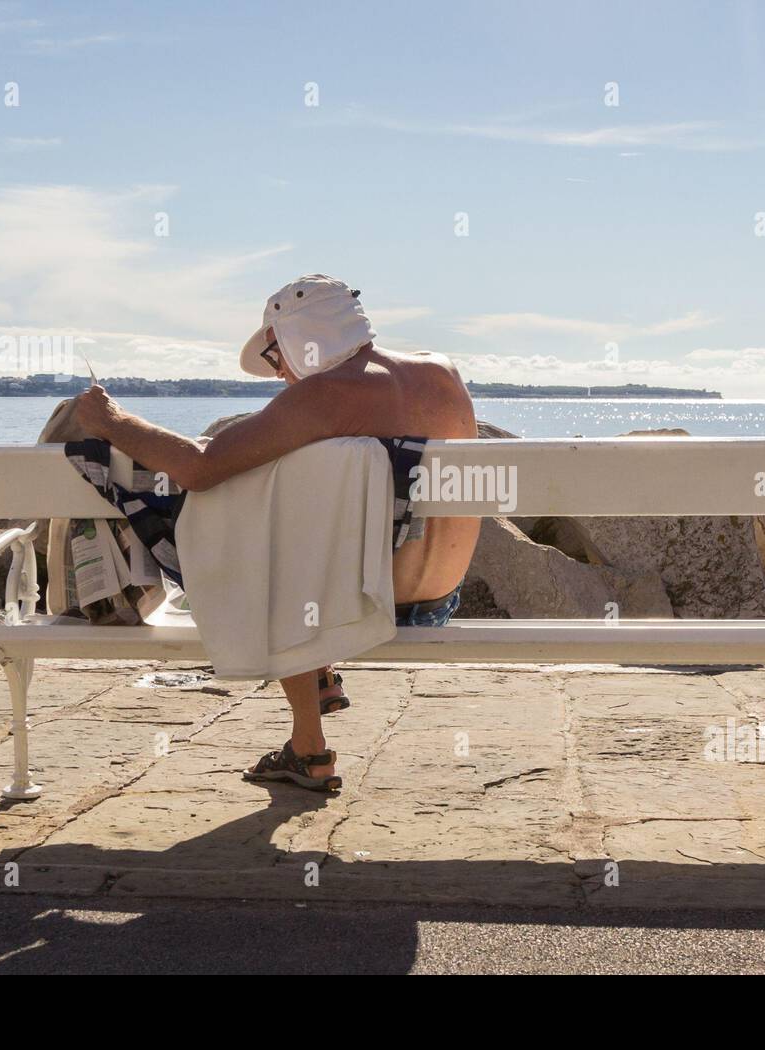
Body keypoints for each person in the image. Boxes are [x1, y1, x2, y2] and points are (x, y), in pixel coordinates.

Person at [75, 274, 480, 791]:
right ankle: (322, 678)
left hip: (364, 604)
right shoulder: (441, 370)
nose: (279, 373)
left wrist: (110, 419)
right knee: (315, 503)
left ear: (297, 337)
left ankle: (309, 746)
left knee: (270, 535)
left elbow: (201, 468)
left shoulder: (325, 395)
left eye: (274, 356)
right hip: (440, 598)